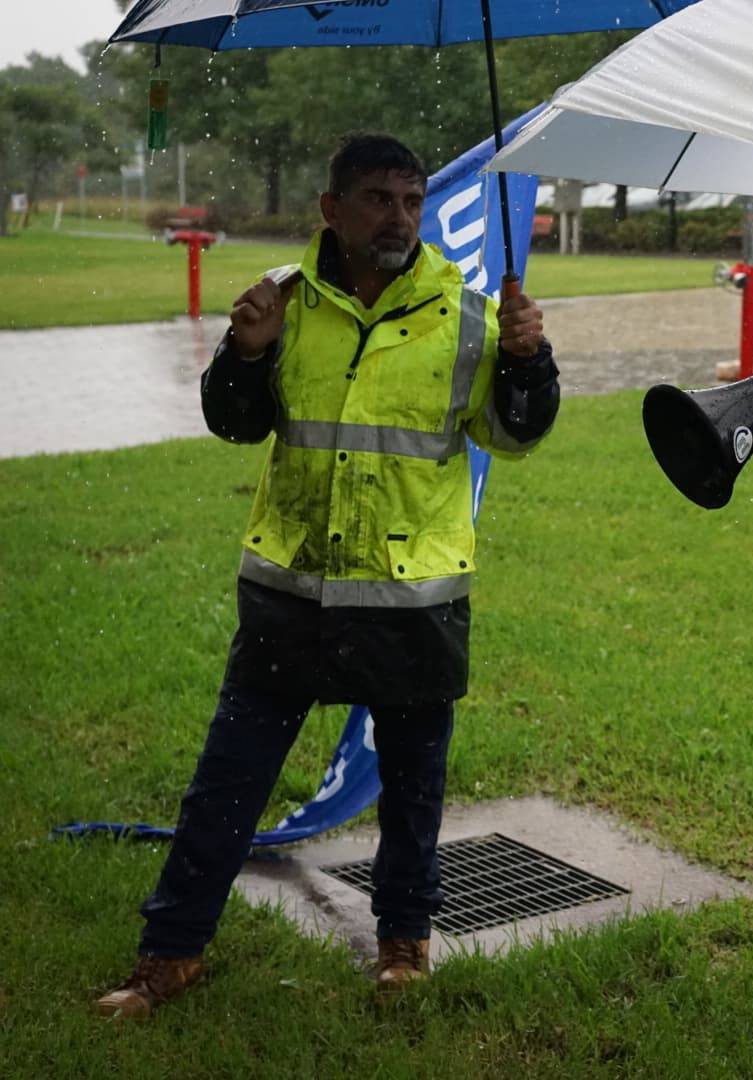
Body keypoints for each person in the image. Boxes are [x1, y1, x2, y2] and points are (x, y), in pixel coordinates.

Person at [96, 133, 559, 1019]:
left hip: (414, 600)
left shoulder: (469, 314)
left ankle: (403, 947)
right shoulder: (285, 302)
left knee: (413, 792)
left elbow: (516, 435)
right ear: (331, 210)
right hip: (291, 596)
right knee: (227, 784)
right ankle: (172, 952)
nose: (400, 216)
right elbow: (235, 424)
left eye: (413, 200)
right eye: (380, 198)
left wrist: (530, 361)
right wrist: (247, 353)